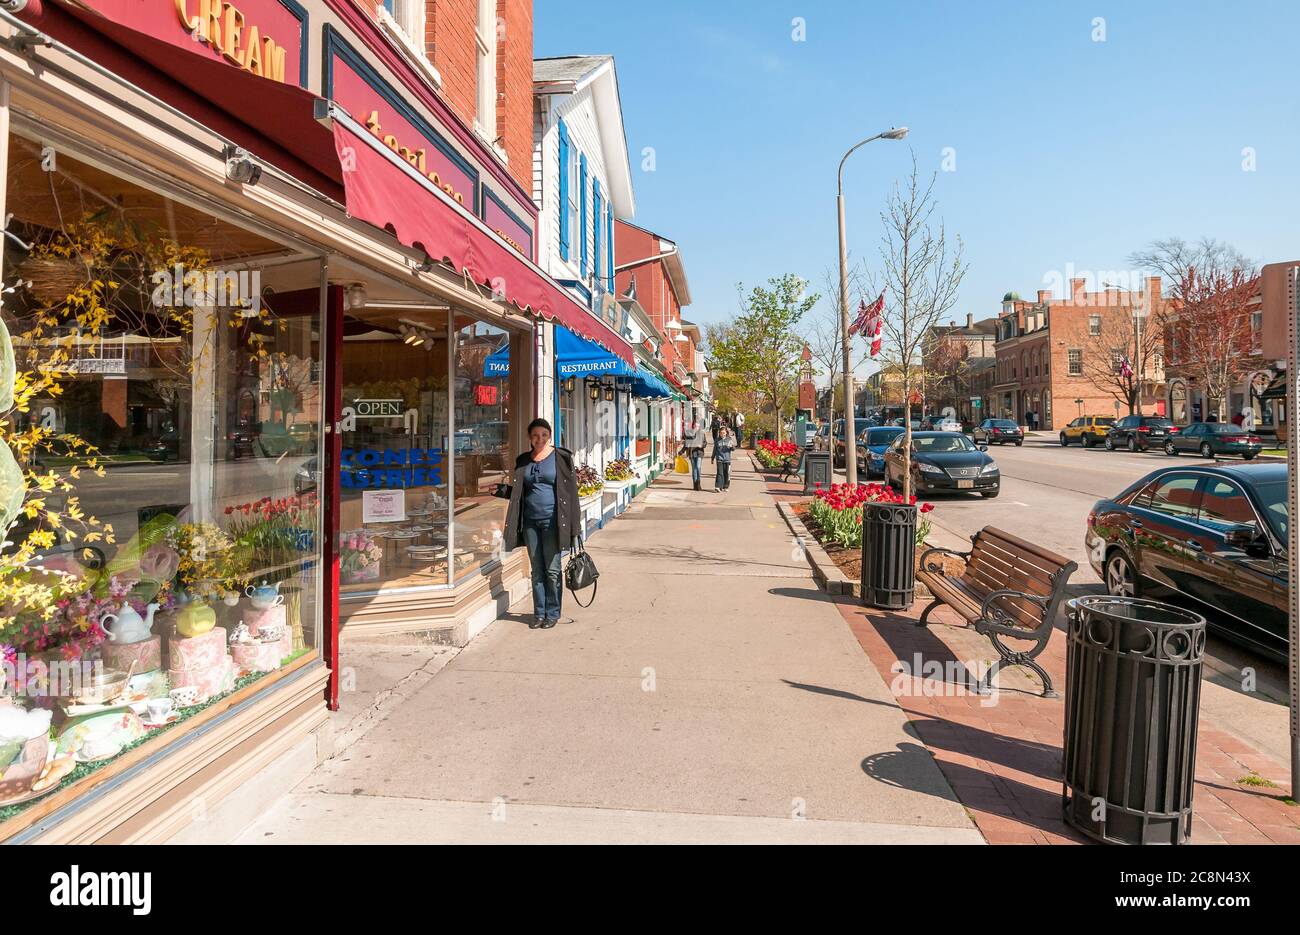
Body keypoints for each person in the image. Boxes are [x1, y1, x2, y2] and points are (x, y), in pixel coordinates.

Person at [499, 418, 581, 629]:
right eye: (535, 435)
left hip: (553, 521)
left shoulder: (561, 458)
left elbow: (571, 493)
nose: (539, 439)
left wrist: (575, 527)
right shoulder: (523, 460)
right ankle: (539, 613)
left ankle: (553, 612)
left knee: (552, 570)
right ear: (530, 437)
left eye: (544, 435)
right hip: (530, 523)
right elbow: (519, 492)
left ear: (549, 436)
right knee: (537, 570)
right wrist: (502, 491)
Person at [680, 416, 707, 491]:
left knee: (698, 467)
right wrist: (681, 451)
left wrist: (701, 445)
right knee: (694, 469)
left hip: (699, 452)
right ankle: (695, 484)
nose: (696, 426)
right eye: (695, 424)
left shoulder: (702, 434)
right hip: (692, 453)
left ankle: (698, 483)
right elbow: (686, 444)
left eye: (698, 424)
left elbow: (705, 443)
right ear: (693, 425)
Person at [714, 425, 735, 491]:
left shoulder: (729, 440)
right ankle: (718, 486)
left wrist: (732, 447)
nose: (722, 434)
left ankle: (725, 486)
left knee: (726, 473)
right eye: (721, 433)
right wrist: (712, 457)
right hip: (719, 459)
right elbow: (715, 449)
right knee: (720, 473)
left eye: (723, 433)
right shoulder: (717, 440)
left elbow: (733, 449)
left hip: (727, 460)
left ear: (726, 433)